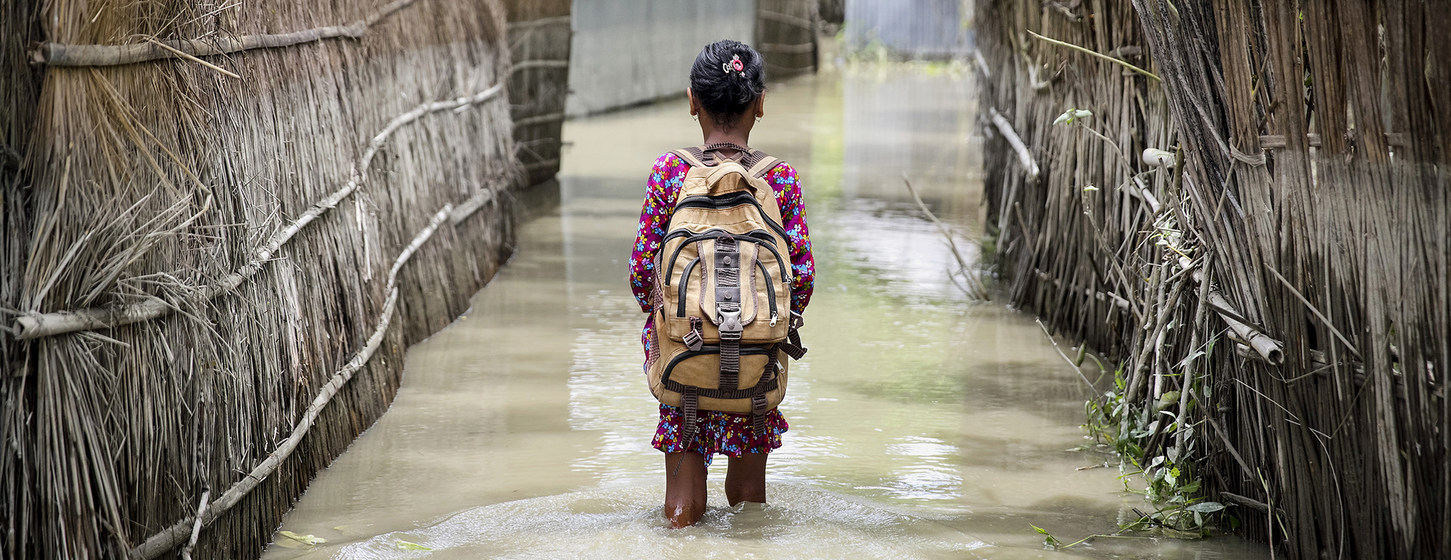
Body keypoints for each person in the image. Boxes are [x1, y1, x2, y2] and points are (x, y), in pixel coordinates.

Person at [627, 40, 814, 528]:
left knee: (682, 507)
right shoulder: (781, 179)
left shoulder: (671, 173)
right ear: (760, 103)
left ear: (693, 101)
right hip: (756, 360)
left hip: (683, 354)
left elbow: (642, 273)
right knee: (749, 505)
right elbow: (804, 281)